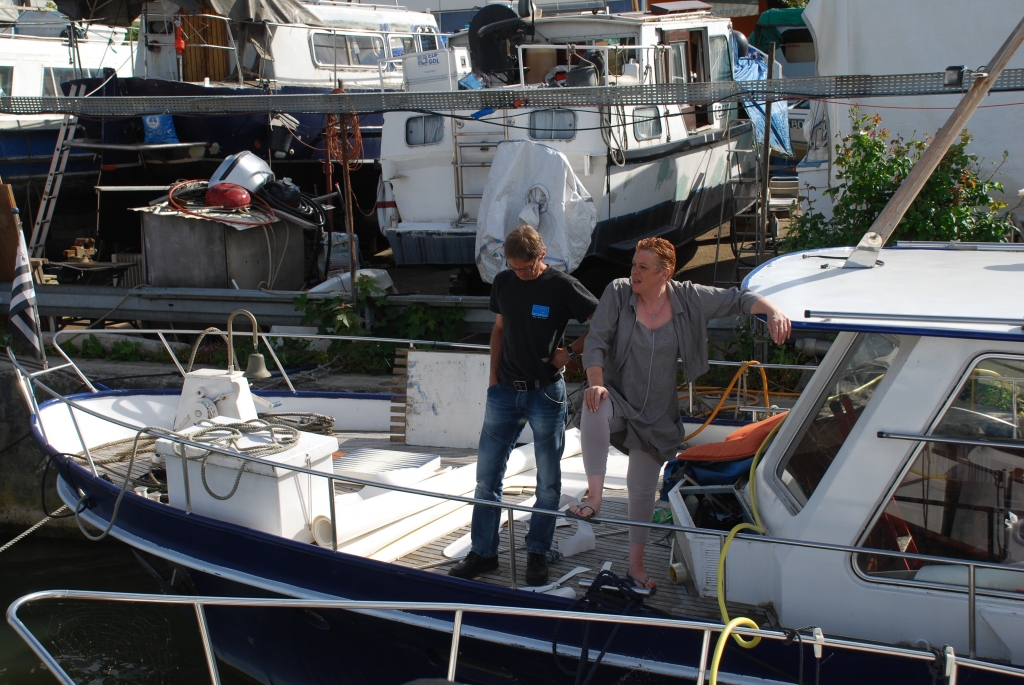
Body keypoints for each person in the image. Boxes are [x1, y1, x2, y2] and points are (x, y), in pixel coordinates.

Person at [568, 237, 791, 592]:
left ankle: (636, 568)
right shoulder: (618, 291)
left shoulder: (688, 296)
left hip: (656, 416)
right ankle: (594, 497)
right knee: (595, 404)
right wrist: (595, 381)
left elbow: (737, 298)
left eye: (643, 267)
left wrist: (773, 311)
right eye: (633, 265)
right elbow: (595, 341)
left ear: (665, 273)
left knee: (640, 493)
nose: (634, 272)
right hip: (618, 399)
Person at [450, 225, 599, 586]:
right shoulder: (503, 282)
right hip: (503, 392)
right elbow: (499, 329)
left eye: (527, 268)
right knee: (486, 478)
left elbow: (603, 322)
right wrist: (492, 379)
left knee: (548, 482)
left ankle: (537, 553)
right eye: (515, 268)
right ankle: (483, 552)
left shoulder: (563, 286)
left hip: (546, 393)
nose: (521, 274)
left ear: (541, 255)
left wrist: (570, 352)